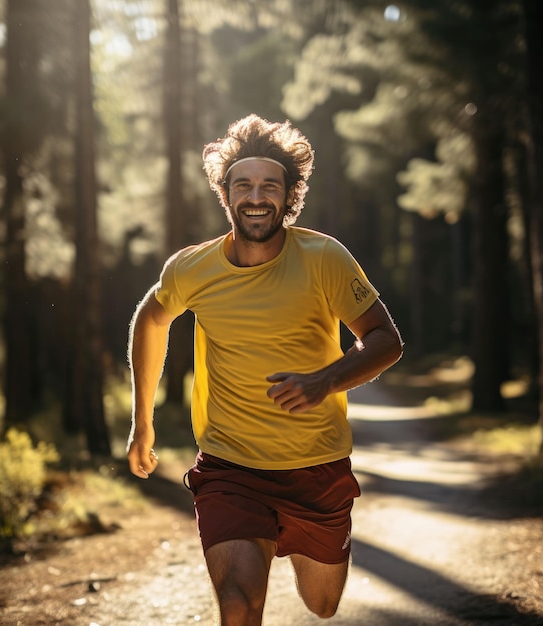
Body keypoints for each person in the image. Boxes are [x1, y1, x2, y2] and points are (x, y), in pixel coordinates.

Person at [126, 114, 403, 625]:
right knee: (237, 600)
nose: (256, 197)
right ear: (225, 194)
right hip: (231, 466)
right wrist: (142, 422)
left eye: (270, 186)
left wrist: (326, 380)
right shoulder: (192, 268)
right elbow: (151, 319)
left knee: (322, 605)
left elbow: (386, 340)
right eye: (243, 185)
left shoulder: (325, 259)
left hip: (316, 465)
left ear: (289, 195)